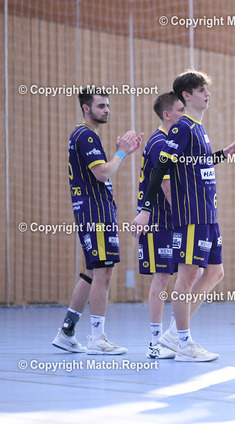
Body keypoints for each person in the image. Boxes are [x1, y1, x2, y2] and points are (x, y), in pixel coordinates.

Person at [131, 70, 235, 362]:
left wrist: (222, 154)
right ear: (186, 96)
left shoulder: (198, 128)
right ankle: (183, 343)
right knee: (185, 277)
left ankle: (171, 335)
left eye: (207, 89)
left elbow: (197, 164)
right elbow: (160, 169)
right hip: (191, 215)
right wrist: (145, 210)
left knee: (216, 273)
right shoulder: (182, 128)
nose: (207, 94)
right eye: (201, 90)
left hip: (208, 214)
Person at [52, 88, 142, 355]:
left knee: (93, 271)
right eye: (101, 106)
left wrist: (121, 153)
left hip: (92, 211)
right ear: (86, 108)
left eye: (108, 105)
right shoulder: (86, 135)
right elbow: (103, 173)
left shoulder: (83, 136)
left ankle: (67, 331)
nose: (107, 110)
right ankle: (97, 338)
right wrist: (121, 153)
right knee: (104, 271)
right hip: (95, 212)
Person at [137, 92, 185, 359]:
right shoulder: (159, 143)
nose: (184, 114)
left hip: (170, 220)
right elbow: (166, 185)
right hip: (159, 220)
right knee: (162, 278)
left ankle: (172, 336)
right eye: (180, 110)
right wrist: (184, 216)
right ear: (167, 115)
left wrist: (223, 155)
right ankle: (156, 343)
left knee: (186, 274)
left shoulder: (172, 142)